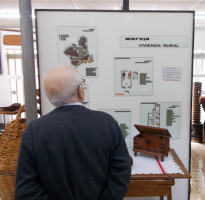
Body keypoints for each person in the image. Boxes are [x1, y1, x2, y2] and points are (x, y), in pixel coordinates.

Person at [15, 65, 131, 200]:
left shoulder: (34, 130)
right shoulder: (107, 123)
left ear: (50, 97)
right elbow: (121, 174)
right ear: (80, 91)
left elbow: (26, 192)